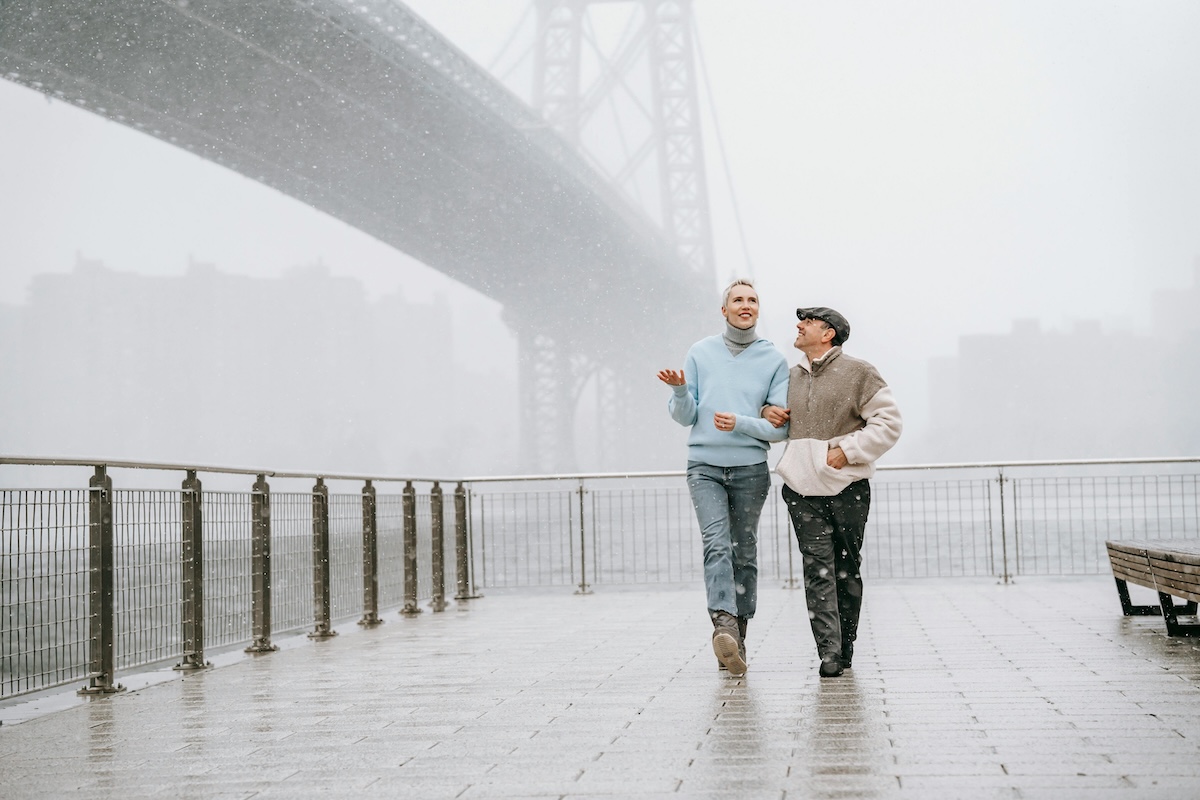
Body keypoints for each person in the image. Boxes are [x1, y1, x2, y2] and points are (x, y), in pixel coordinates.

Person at [656, 279, 789, 677]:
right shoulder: (700, 352)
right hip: (705, 467)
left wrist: (742, 423)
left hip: (751, 469)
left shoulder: (774, 360)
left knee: (743, 553)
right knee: (717, 545)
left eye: (752, 300)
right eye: (737, 299)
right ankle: (724, 625)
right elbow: (685, 417)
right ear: (724, 309)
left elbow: (780, 428)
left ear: (758, 310)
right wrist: (680, 391)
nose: (745, 305)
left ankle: (737, 639)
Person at [765, 307, 902, 678]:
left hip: (849, 488)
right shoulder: (787, 376)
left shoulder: (860, 372)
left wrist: (848, 452)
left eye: (806, 322)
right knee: (817, 570)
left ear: (828, 333)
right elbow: (769, 410)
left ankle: (845, 648)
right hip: (800, 490)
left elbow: (889, 423)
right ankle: (828, 652)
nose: (798, 326)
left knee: (846, 569)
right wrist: (766, 409)